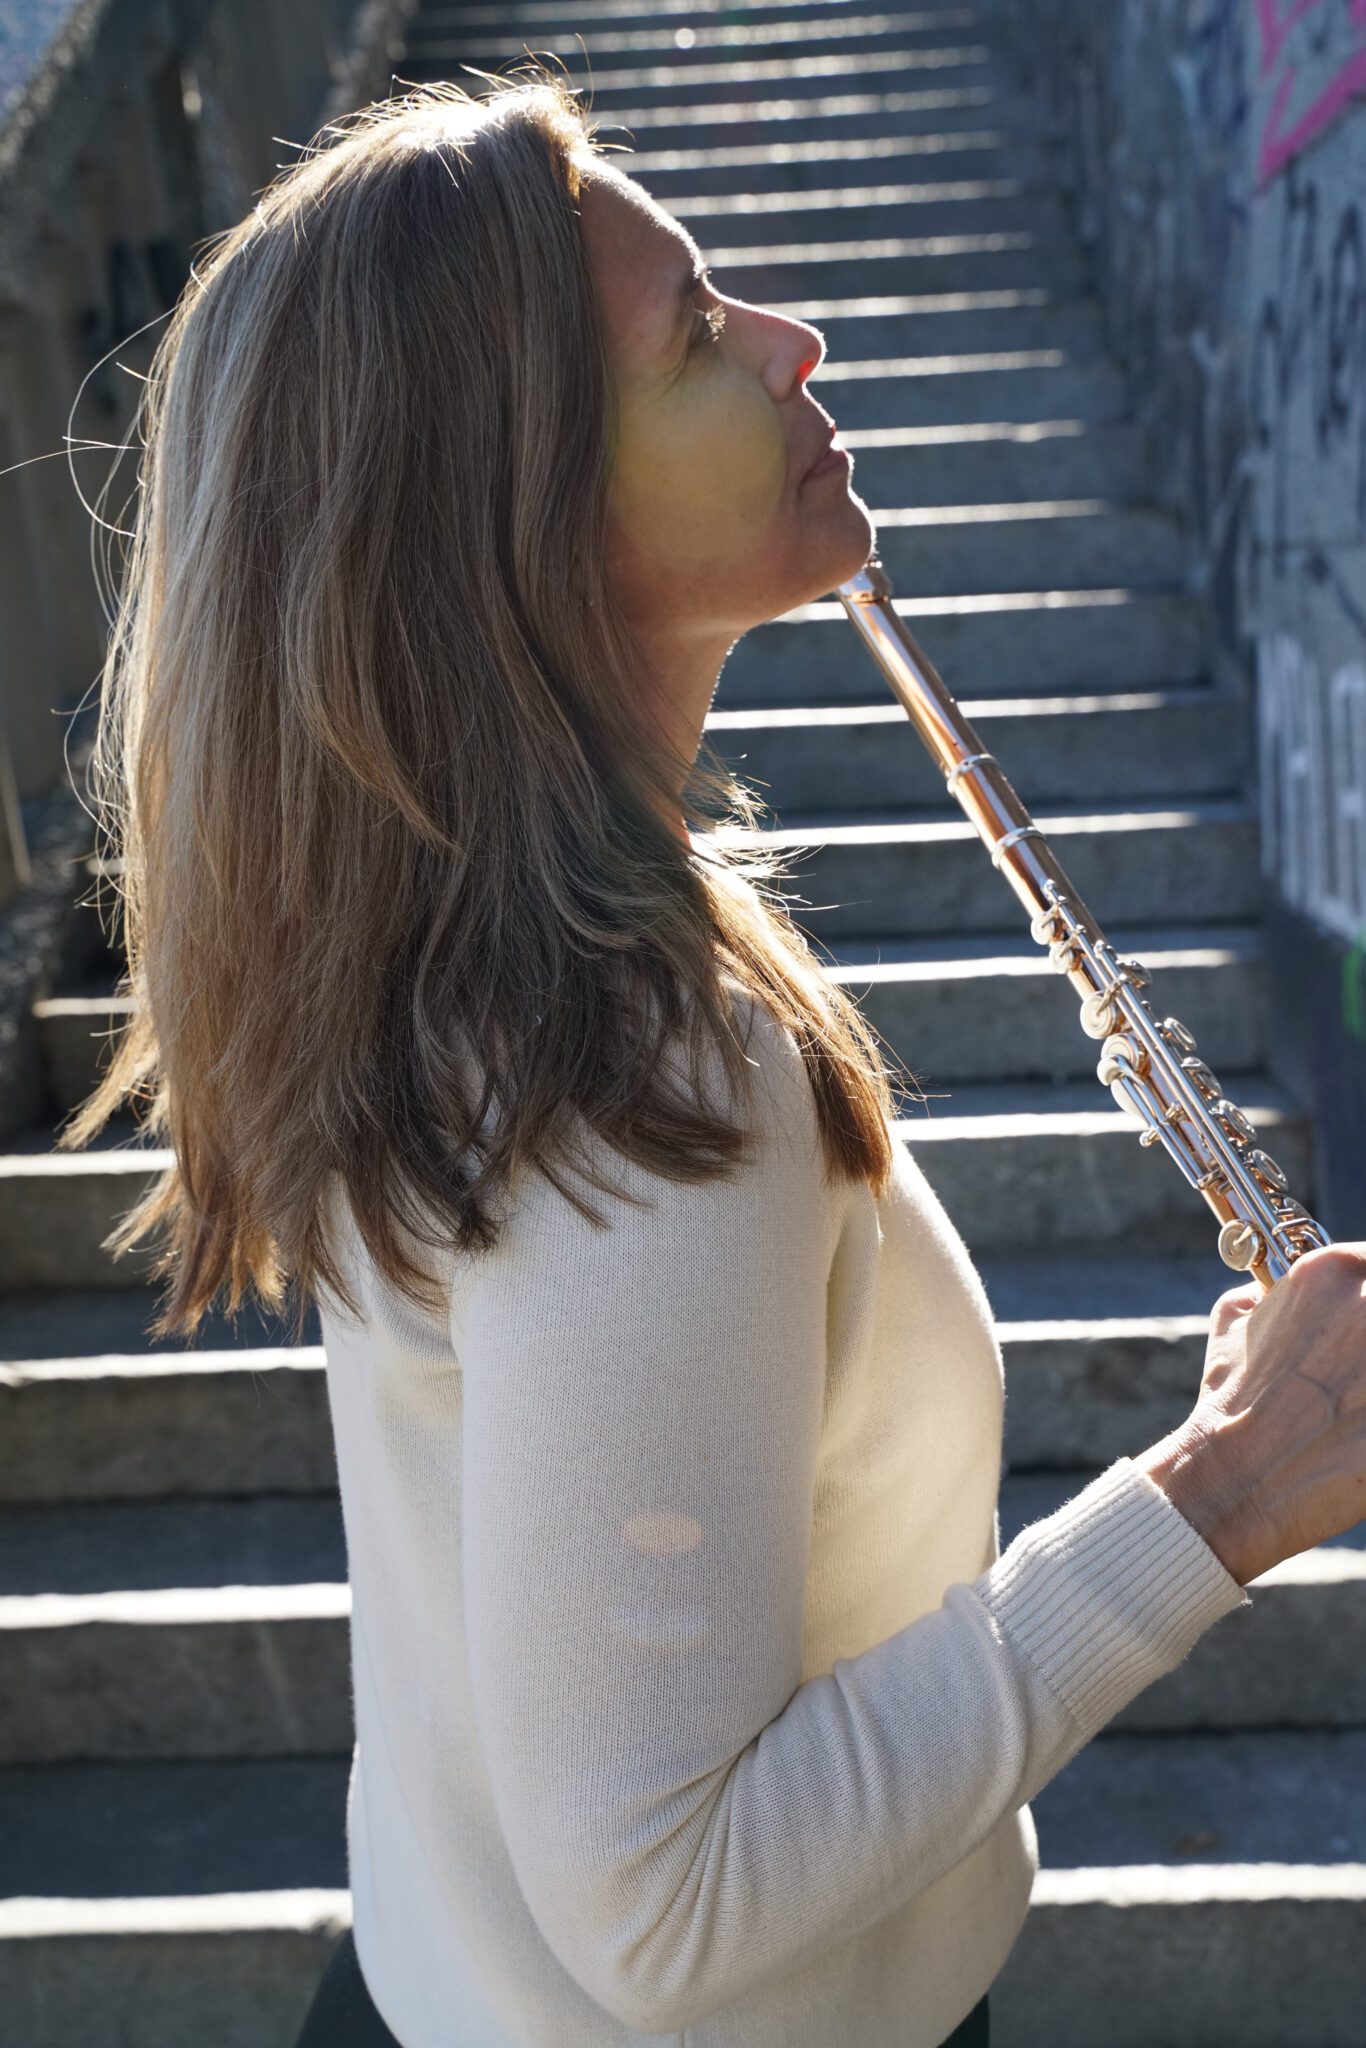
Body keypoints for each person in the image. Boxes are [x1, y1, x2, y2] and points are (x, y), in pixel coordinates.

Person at [61, 67, 1366, 2048]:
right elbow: (666, 1899)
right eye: (691, 335)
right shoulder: (617, 1061)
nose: (788, 341)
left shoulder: (447, 950)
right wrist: (1226, 1490)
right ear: (521, 517)